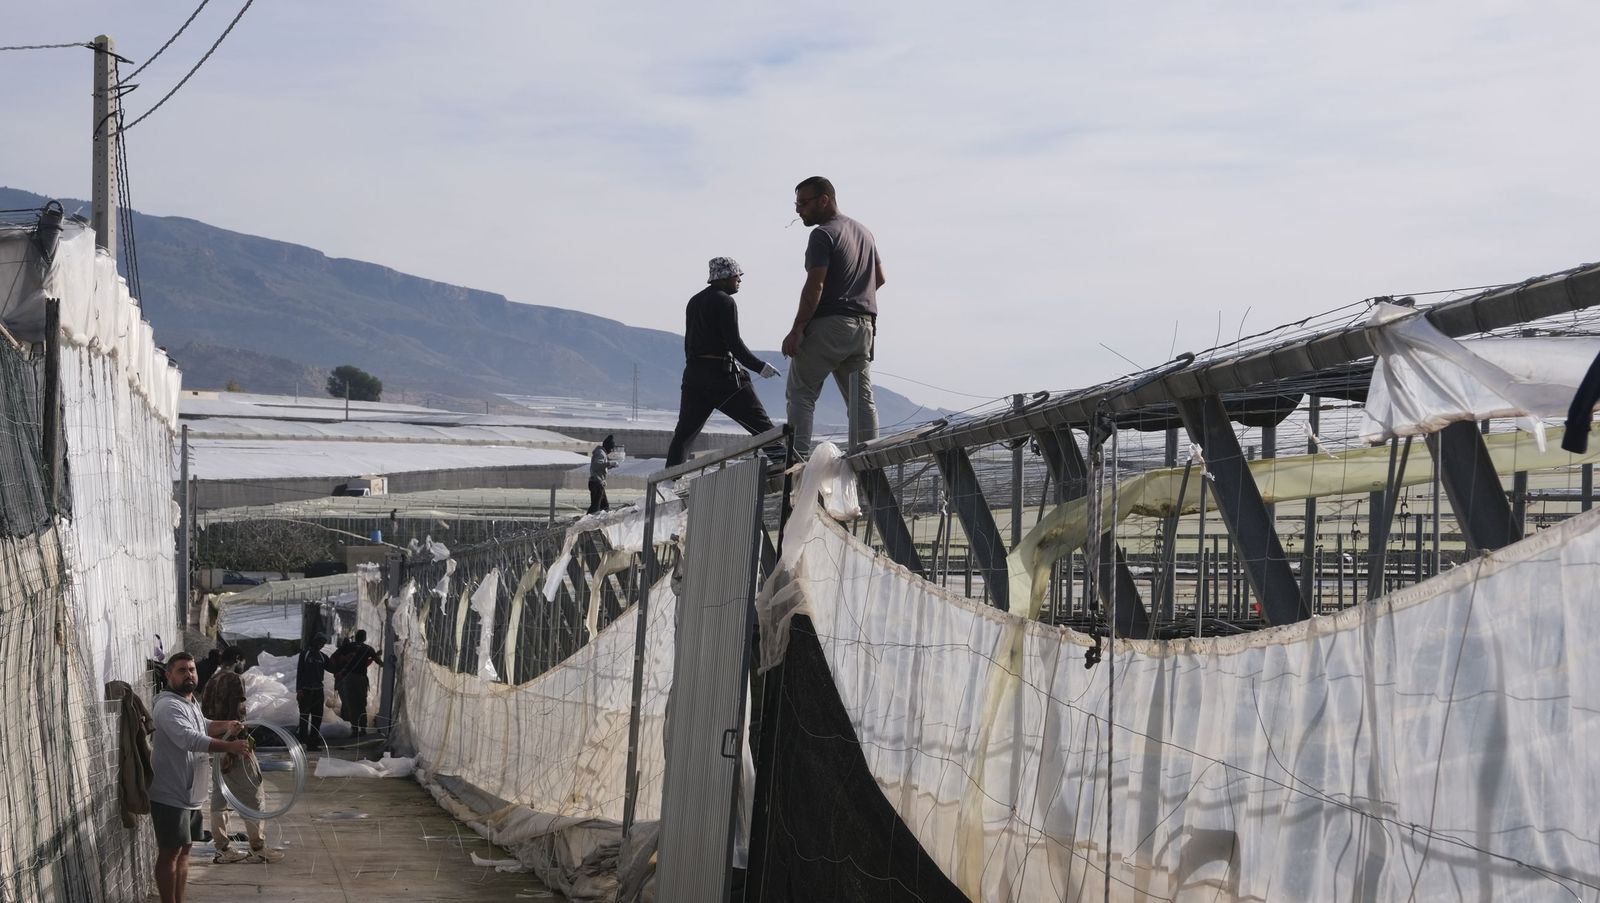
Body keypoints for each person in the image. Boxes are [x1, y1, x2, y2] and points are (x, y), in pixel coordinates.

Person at [782, 176, 884, 458]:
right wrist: (855, 294)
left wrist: (798, 328)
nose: (798, 210)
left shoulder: (823, 234)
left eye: (803, 203)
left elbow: (816, 285)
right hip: (863, 328)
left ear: (824, 200)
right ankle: (868, 459)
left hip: (830, 323)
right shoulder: (864, 232)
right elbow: (881, 278)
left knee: (802, 393)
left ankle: (797, 462)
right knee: (861, 401)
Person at [150, 652, 250, 903]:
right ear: (168, 675)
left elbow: (202, 725)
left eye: (192, 669)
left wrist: (227, 725)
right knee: (170, 853)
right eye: (182, 670)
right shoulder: (168, 706)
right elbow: (190, 739)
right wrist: (229, 746)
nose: (189, 674)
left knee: (184, 851)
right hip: (170, 793)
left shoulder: (189, 702)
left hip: (189, 792)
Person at [665, 257, 783, 467]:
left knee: (684, 434)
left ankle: (669, 482)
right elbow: (734, 344)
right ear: (725, 276)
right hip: (723, 378)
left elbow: (690, 342)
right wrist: (760, 366)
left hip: (694, 377)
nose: (740, 280)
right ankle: (788, 467)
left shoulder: (694, 301)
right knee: (761, 426)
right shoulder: (725, 301)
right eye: (737, 275)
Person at [200, 668, 283, 864]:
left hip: (215, 744)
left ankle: (222, 848)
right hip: (235, 747)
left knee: (220, 798)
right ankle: (258, 848)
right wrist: (234, 746)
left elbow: (205, 714)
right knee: (253, 794)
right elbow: (236, 714)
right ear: (238, 660)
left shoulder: (211, 680)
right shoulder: (235, 679)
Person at [335, 630, 381, 737]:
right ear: (364, 638)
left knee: (350, 704)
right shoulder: (368, 649)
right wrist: (377, 656)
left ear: (355, 637)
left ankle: (354, 728)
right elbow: (378, 662)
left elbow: (337, 658)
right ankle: (363, 728)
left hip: (347, 678)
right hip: (360, 679)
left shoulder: (347, 647)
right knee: (361, 703)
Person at [295, 636, 335, 751]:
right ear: (314, 641)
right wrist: (299, 689)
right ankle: (302, 742)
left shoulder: (322, 657)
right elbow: (300, 672)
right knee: (304, 717)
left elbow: (332, 668)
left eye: (323, 643)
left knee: (317, 717)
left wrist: (343, 667)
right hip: (306, 691)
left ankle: (313, 744)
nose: (321, 645)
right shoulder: (305, 654)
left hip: (318, 691)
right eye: (319, 642)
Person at [587, 435, 619, 513]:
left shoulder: (601, 453)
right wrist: (609, 463)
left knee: (604, 506)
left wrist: (610, 466)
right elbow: (597, 465)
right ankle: (588, 521)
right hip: (596, 483)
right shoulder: (600, 453)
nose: (611, 451)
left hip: (598, 483)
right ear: (608, 446)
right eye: (611, 448)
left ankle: (600, 521)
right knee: (596, 507)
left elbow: (600, 467)